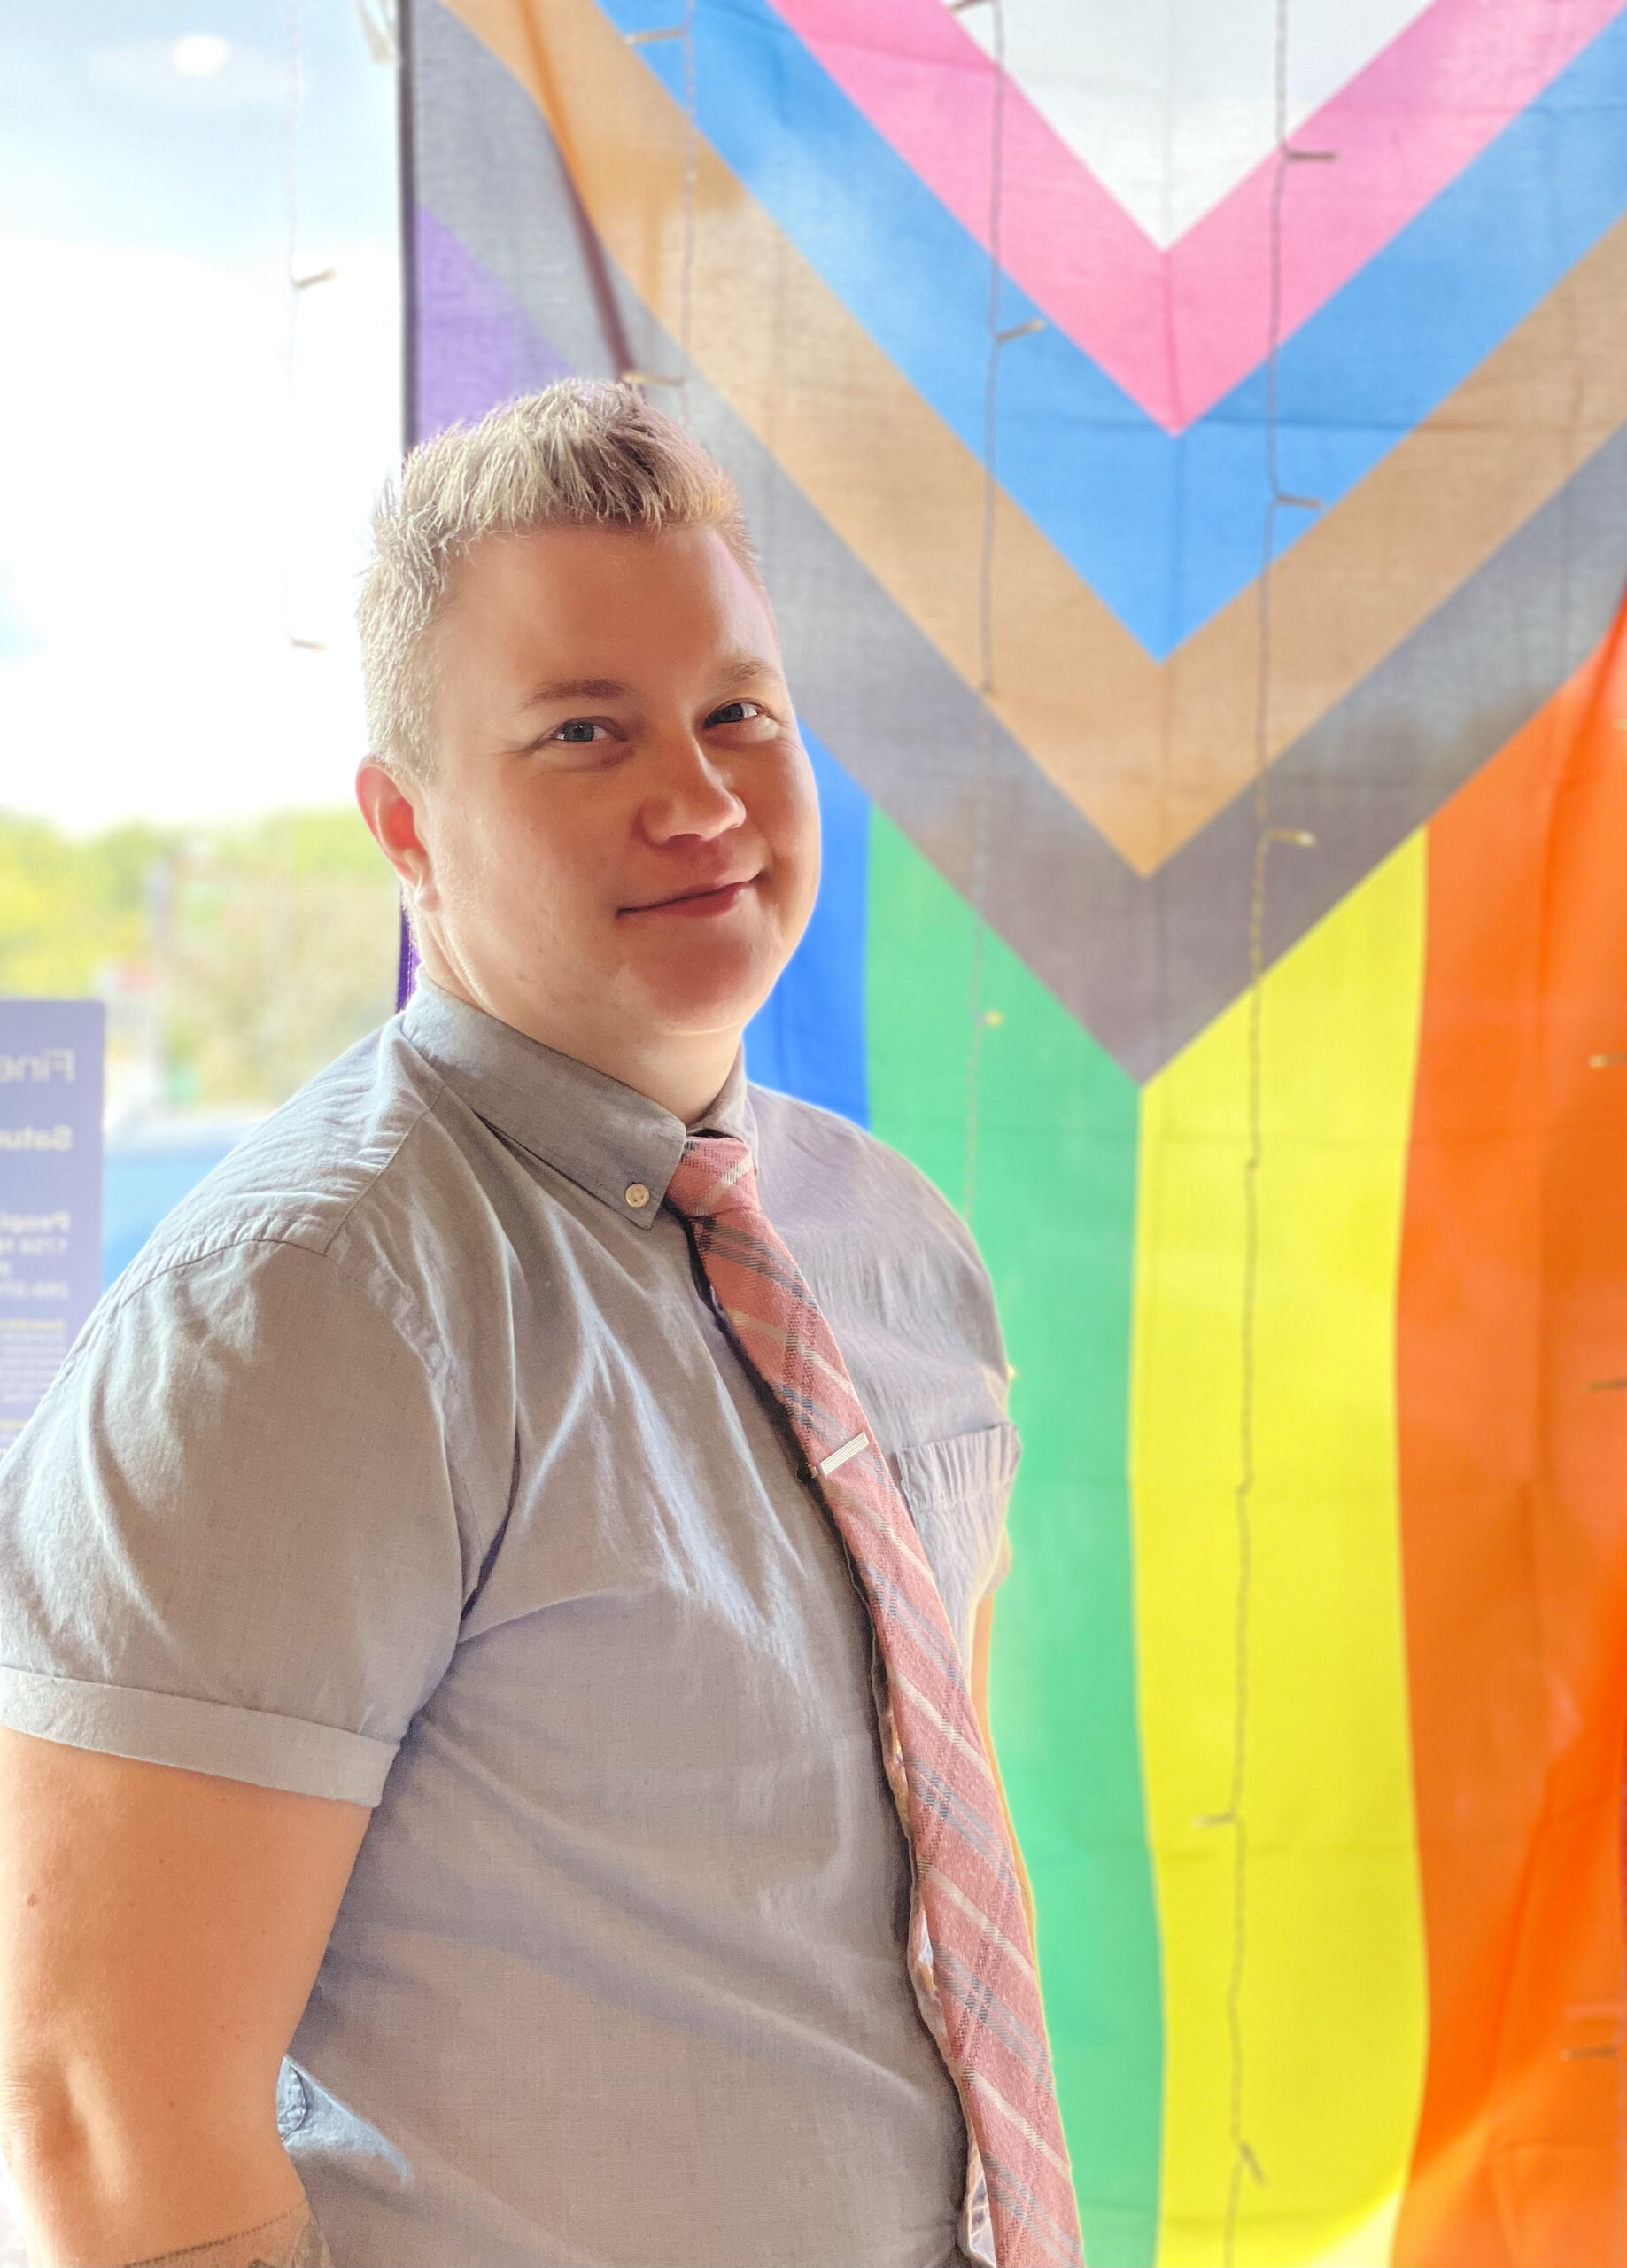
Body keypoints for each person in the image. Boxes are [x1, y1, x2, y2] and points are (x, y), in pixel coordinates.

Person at [0, 382, 1081, 2268]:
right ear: (408, 824)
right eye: (586, 731)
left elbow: (933, 1892)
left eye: (738, 707)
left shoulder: (897, 1243)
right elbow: (108, 2112)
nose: (704, 794)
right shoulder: (304, 1309)